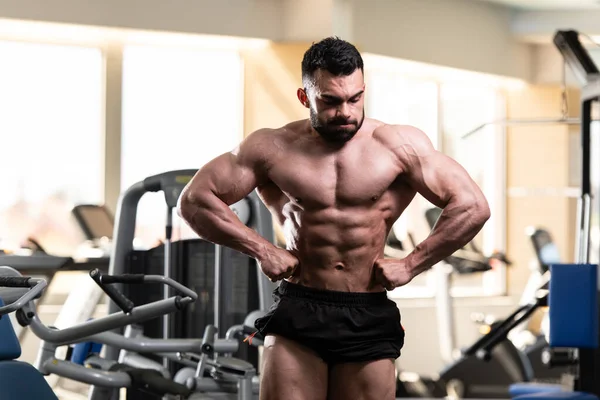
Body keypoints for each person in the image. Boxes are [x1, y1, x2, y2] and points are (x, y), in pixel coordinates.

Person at [177, 37, 490, 400]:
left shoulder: (398, 145)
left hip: (367, 310)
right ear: (304, 96)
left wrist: (412, 264)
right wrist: (263, 250)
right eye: (330, 101)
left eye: (355, 98)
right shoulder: (271, 148)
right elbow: (195, 201)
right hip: (300, 304)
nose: (345, 111)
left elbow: (472, 206)